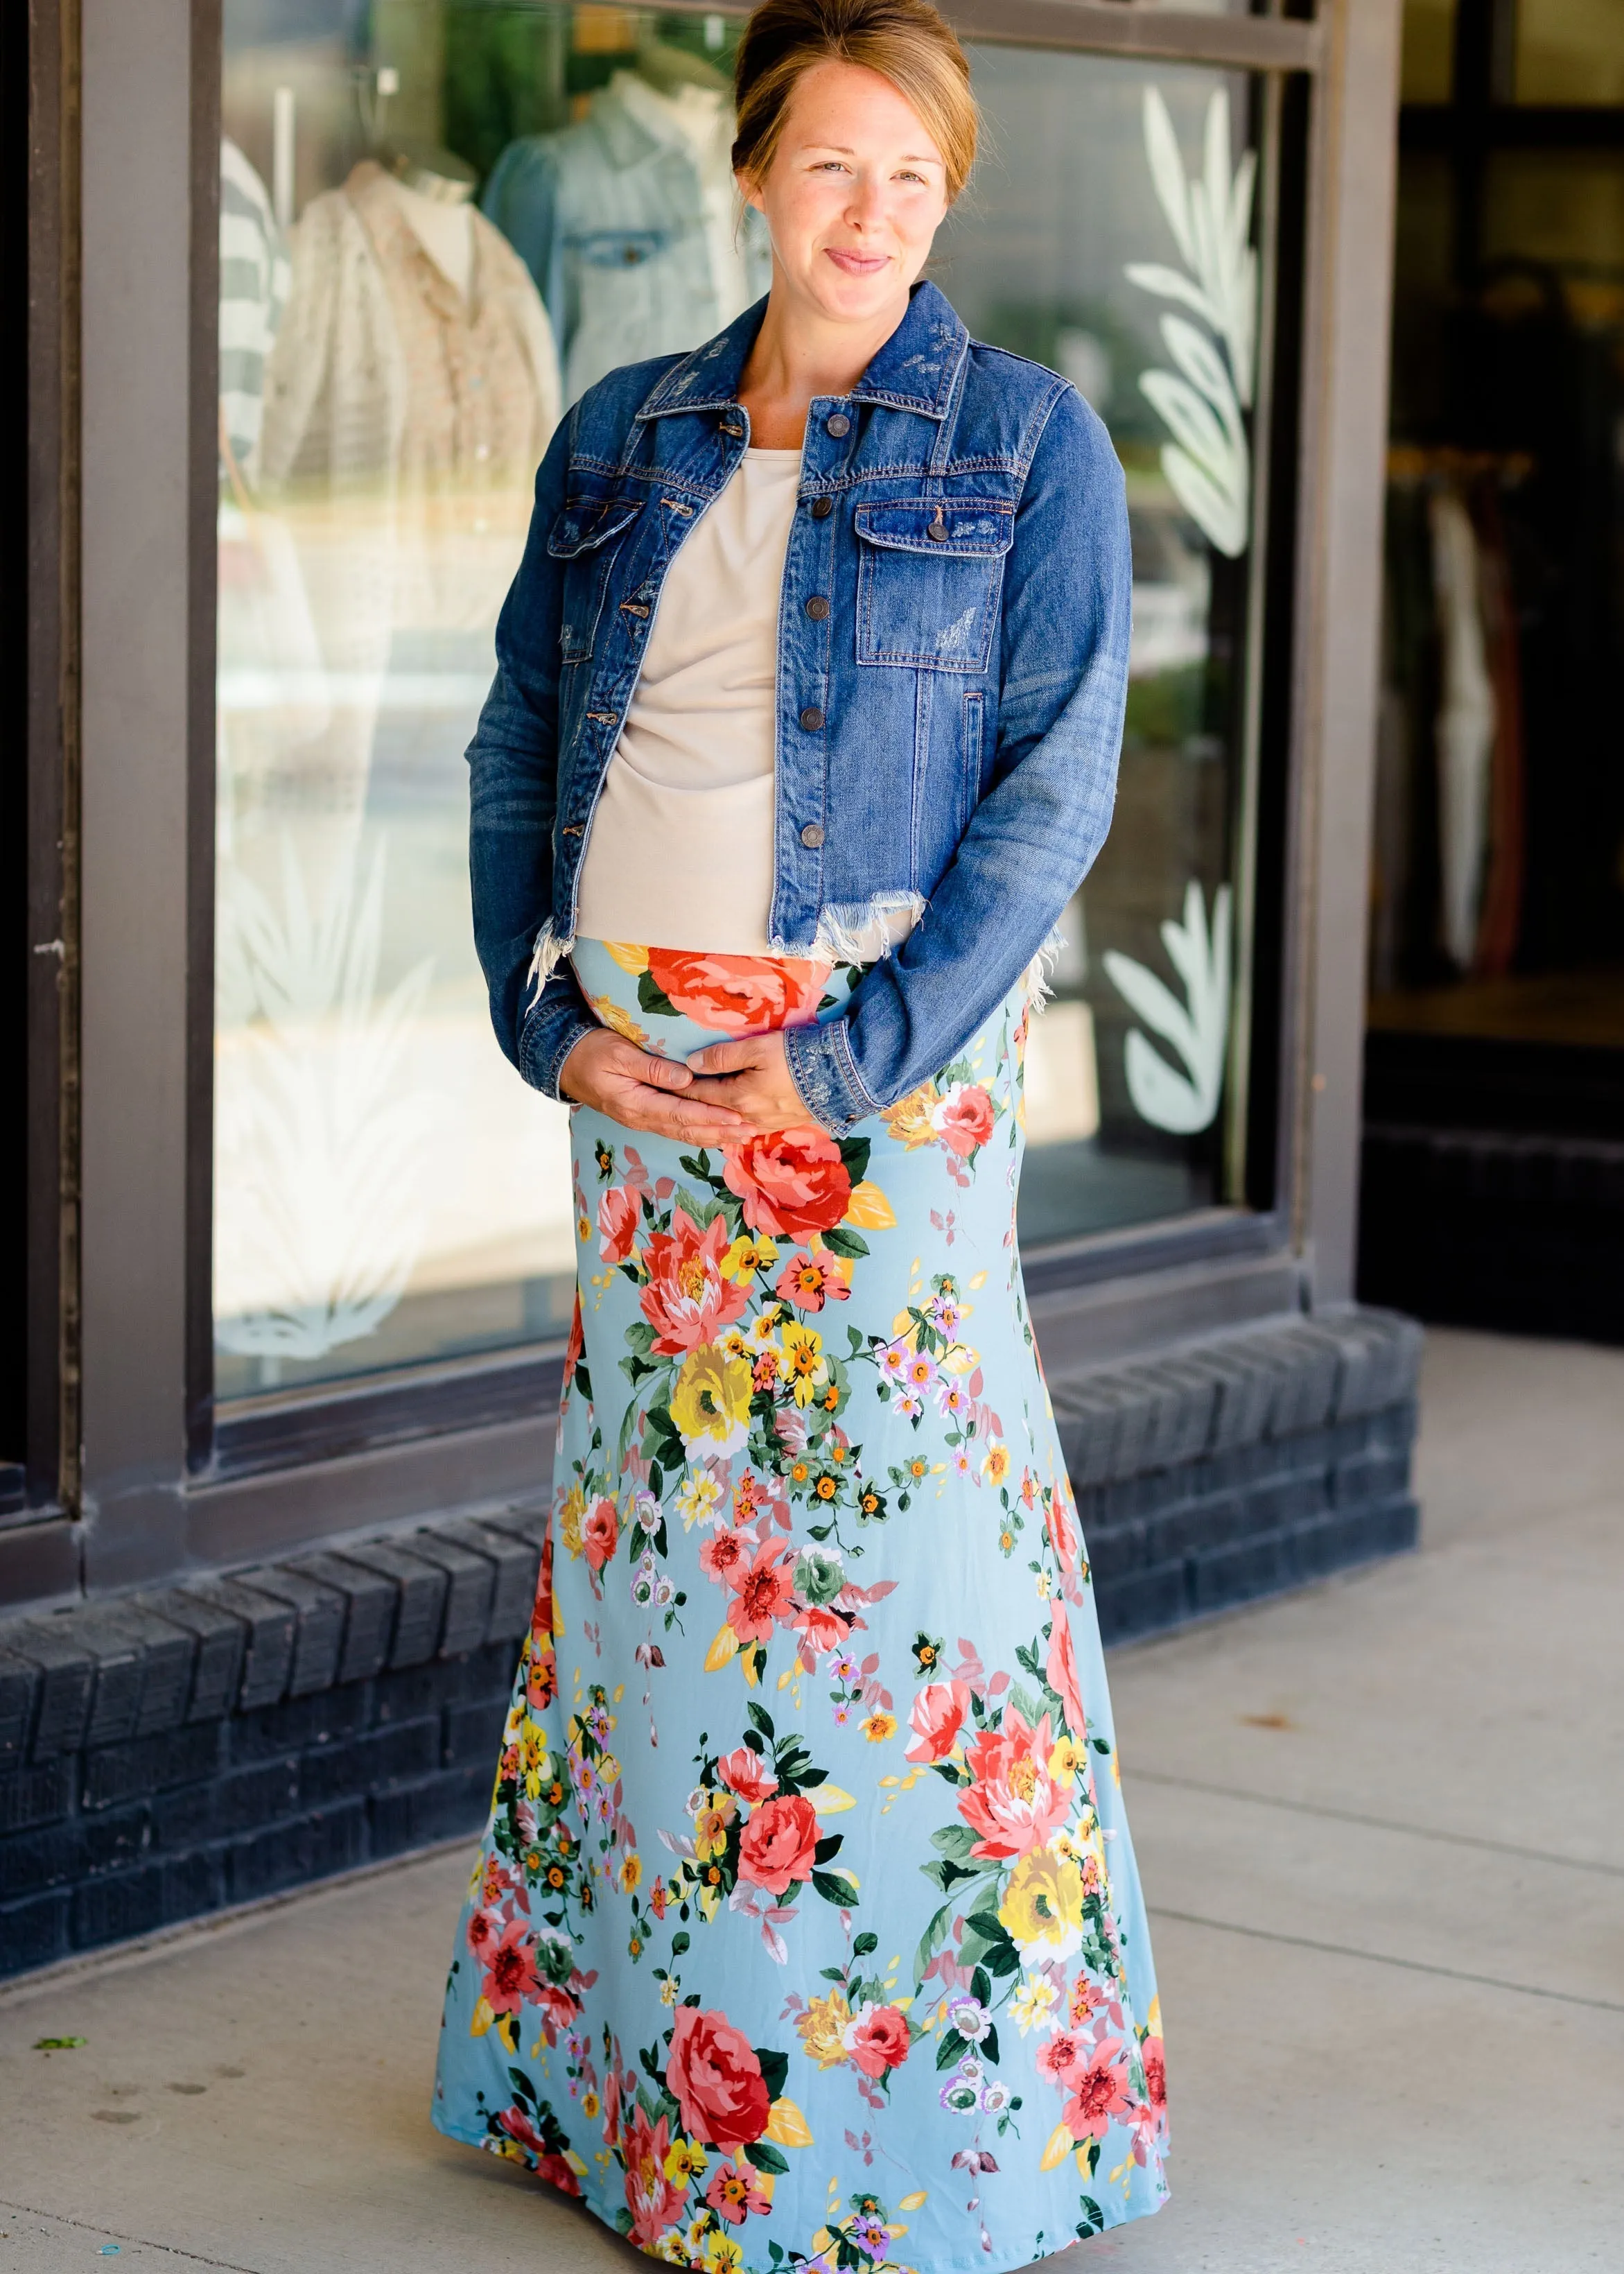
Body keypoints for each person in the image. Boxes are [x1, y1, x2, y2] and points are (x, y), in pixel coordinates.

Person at [432, 1, 1169, 2259]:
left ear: (947, 198)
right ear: (753, 166)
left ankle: (942, 2144)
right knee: (661, 1586)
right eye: (832, 164)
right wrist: (540, 1022)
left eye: (913, 179)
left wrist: (848, 1061)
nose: (870, 215)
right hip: (640, 1097)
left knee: (909, 1592)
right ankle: (650, 2115)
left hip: (875, 1089)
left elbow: (1052, 801)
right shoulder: (621, 434)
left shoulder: (1031, 444)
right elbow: (517, 739)